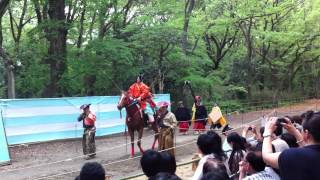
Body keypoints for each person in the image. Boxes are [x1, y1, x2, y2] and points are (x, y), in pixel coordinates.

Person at [262, 111, 320, 180]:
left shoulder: (294, 155)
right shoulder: (307, 155)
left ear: (306, 134)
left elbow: (267, 157)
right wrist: (295, 132)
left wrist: (267, 132)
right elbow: (310, 150)